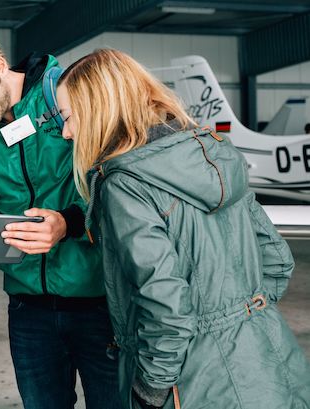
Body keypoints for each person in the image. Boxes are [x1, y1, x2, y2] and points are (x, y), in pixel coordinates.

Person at [56, 48, 310, 409]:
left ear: (99, 111)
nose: (67, 133)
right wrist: (238, 318)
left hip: (195, 383)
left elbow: (166, 310)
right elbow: (277, 260)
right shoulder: (216, 153)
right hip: (268, 362)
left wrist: (150, 390)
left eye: (69, 117)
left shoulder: (125, 184)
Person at [0, 27, 120, 409]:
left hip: (100, 299)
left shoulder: (65, 96)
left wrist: (68, 223)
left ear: (0, 66)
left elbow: (120, 188)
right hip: (28, 309)